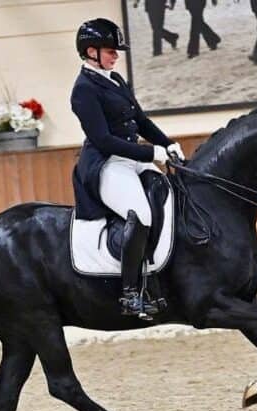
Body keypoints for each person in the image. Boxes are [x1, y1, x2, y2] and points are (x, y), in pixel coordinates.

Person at [70, 18, 184, 317]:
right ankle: (130, 293)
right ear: (91, 51)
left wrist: (168, 143)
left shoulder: (116, 80)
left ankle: (158, 278)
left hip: (134, 159)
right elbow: (103, 140)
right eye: (110, 51)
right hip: (107, 164)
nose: (115, 56)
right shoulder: (83, 89)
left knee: (169, 197)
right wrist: (151, 153)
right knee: (141, 213)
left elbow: (141, 121)